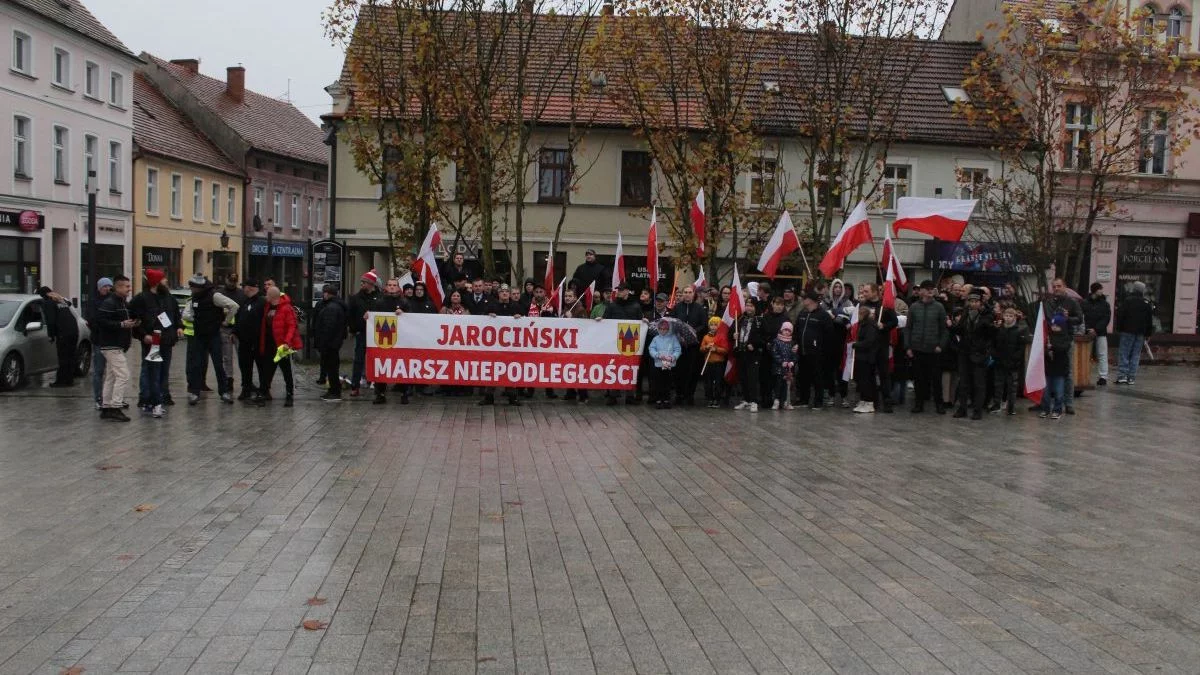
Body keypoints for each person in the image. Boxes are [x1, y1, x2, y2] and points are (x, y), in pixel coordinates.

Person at [128, 269, 182, 416]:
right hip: (152, 341)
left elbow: (176, 314)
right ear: (156, 282)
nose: (166, 282)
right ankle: (147, 399)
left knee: (164, 370)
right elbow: (135, 319)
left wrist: (179, 327)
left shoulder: (168, 298)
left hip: (167, 340)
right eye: (163, 279)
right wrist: (143, 335)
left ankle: (162, 396)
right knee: (150, 370)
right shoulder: (141, 299)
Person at [183, 274, 238, 405]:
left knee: (218, 365)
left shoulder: (214, 296)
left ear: (199, 287)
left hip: (213, 335)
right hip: (199, 335)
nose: (191, 289)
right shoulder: (194, 297)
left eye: (192, 287)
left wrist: (226, 321)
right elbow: (188, 314)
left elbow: (234, 306)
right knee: (196, 365)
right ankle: (195, 392)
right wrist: (197, 320)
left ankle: (224, 392)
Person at [904, 280, 948, 414]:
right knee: (918, 379)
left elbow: (944, 329)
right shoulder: (914, 307)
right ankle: (919, 403)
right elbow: (908, 328)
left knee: (936, 379)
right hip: (917, 348)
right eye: (927, 289)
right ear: (921, 291)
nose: (930, 291)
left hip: (933, 349)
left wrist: (941, 345)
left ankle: (939, 404)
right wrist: (908, 347)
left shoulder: (939, 307)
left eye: (932, 288)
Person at [96, 275, 135, 421]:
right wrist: (121, 325)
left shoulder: (121, 302)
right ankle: (115, 406)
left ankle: (106, 406)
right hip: (111, 345)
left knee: (111, 376)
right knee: (123, 375)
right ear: (118, 287)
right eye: (126, 286)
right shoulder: (110, 303)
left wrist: (130, 324)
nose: (129, 289)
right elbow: (102, 321)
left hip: (116, 344)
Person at [950, 289, 993, 420]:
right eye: (971, 301)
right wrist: (951, 326)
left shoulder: (986, 315)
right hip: (965, 353)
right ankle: (962, 408)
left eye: (976, 301)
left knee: (979, 384)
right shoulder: (965, 314)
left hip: (979, 354)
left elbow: (989, 333)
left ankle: (977, 410)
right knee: (964, 382)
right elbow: (960, 331)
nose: (973, 304)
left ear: (980, 303)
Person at [258, 286, 301, 407]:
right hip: (269, 345)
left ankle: (289, 395)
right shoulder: (267, 307)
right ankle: (263, 393)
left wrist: (287, 342)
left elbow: (292, 326)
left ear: (272, 296)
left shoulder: (286, 308)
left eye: (267, 295)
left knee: (286, 371)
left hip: (282, 346)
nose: (265, 297)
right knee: (267, 370)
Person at [859, 283, 899, 413]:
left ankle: (887, 401)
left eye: (866, 291)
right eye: (863, 292)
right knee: (869, 374)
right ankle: (872, 401)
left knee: (884, 374)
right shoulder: (863, 305)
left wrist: (884, 326)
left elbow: (894, 322)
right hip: (868, 346)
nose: (864, 294)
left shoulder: (885, 306)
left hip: (881, 345)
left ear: (875, 292)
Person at [1046, 278, 1083, 413]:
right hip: (1052, 340)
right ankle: (1051, 401)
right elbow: (1049, 319)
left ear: (1064, 287)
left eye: (1059, 286)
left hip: (1067, 340)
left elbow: (1079, 319)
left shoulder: (1072, 302)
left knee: (1068, 372)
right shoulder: (1049, 302)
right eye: (1054, 286)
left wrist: (1068, 319)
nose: (1056, 289)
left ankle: (1069, 403)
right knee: (1050, 372)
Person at [373, 278, 410, 404]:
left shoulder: (404, 302)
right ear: (386, 287)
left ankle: (404, 393)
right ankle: (380, 393)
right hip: (384, 339)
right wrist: (368, 316)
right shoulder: (379, 302)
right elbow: (373, 317)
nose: (392, 287)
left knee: (402, 366)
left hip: (401, 339)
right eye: (390, 285)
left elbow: (413, 320)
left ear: (398, 287)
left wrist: (404, 313)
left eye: (394, 285)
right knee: (381, 366)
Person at [603, 283, 641, 405]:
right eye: (618, 290)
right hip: (615, 343)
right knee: (615, 368)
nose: (618, 292)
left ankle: (630, 395)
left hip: (630, 342)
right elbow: (606, 320)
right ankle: (613, 395)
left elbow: (640, 321)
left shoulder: (635, 306)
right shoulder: (612, 306)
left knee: (629, 368)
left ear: (627, 291)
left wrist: (643, 322)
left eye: (621, 290)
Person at [670, 286, 708, 406]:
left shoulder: (699, 308)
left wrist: (693, 331)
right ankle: (679, 394)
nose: (687, 294)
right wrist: (679, 335)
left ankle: (690, 394)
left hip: (694, 345)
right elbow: (672, 322)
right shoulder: (677, 308)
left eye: (689, 292)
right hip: (679, 344)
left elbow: (704, 324)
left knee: (692, 370)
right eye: (685, 292)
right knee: (678, 370)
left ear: (693, 294)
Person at [793, 291, 830, 410]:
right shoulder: (802, 314)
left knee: (817, 377)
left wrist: (822, 349)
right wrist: (795, 343)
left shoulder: (823, 315)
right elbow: (796, 330)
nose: (803, 300)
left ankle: (818, 401)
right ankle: (803, 399)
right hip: (802, 351)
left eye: (805, 298)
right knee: (803, 377)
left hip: (817, 353)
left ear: (811, 300)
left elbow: (829, 335)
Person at [37, 286, 79, 388]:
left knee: (63, 358)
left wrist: (51, 335)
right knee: (70, 357)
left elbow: (50, 321)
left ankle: (61, 381)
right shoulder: (61, 300)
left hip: (63, 333)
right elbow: (69, 304)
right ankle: (69, 380)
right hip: (74, 331)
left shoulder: (48, 303)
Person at [1114, 280, 1155, 385]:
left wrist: (1119, 328)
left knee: (1124, 353)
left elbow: (1120, 315)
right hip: (1140, 333)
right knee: (1135, 355)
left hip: (1127, 331)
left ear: (1134, 289)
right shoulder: (1146, 304)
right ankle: (1131, 377)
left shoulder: (1127, 301)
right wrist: (1148, 333)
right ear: (1142, 291)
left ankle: (1122, 375)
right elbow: (1149, 320)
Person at [347, 269, 381, 396]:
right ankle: (355, 385)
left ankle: (377, 383)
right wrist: (353, 329)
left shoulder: (380, 298)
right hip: (362, 332)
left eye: (364, 282)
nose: (362, 285)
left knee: (376, 359)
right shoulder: (356, 298)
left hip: (377, 334)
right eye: (361, 282)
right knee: (358, 360)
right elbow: (351, 315)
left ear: (371, 284)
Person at [991, 306, 1029, 415]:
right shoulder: (999, 330)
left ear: (1015, 317)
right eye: (1006, 316)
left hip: (1013, 363)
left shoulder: (1018, 330)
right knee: (998, 385)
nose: (1008, 318)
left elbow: (1020, 348)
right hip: (999, 361)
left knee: (1012, 386)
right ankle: (997, 404)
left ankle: (1011, 407)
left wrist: (1014, 359)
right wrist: (995, 356)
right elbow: (994, 344)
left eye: (1010, 316)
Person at [314, 284, 348, 402]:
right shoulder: (336, 305)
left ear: (327, 294)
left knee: (332, 368)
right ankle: (333, 390)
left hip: (330, 344)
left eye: (324, 293)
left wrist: (323, 343)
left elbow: (328, 327)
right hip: (333, 343)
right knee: (332, 367)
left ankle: (334, 391)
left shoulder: (332, 308)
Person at [234, 279, 267, 401]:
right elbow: (238, 318)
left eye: (245, 287)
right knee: (245, 366)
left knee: (261, 367)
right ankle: (246, 389)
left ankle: (264, 390)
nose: (243, 289)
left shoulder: (262, 302)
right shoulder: (244, 301)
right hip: (244, 341)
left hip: (257, 341)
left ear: (251, 288)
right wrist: (235, 331)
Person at [86, 278, 114, 409]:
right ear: (99, 288)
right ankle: (98, 397)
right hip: (99, 340)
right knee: (99, 370)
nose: (107, 289)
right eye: (105, 287)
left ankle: (111, 397)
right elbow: (92, 320)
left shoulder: (113, 300)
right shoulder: (93, 302)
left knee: (113, 371)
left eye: (109, 286)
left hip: (112, 341)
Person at [732, 300, 764, 412]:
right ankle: (746, 399)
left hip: (753, 354)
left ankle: (754, 401)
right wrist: (734, 335)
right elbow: (732, 330)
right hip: (741, 351)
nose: (748, 308)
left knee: (752, 378)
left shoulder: (759, 320)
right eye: (747, 305)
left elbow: (764, 336)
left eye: (751, 306)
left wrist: (754, 344)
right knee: (743, 377)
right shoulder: (740, 319)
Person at [1041, 312, 1072, 419]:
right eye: (1053, 325)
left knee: (1059, 392)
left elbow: (1063, 349)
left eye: (1056, 326)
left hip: (1060, 369)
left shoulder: (1065, 338)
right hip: (1049, 368)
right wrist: (1047, 351)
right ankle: (1045, 409)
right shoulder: (1049, 337)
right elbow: (1044, 351)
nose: (1054, 328)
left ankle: (1057, 410)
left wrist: (1052, 347)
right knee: (1046, 392)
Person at [1082, 282, 1112, 386]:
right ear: (1095, 290)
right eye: (1100, 289)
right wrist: (1088, 329)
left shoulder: (1105, 304)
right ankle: (1084, 375)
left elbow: (1106, 318)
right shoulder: (1085, 302)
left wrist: (1096, 329)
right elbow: (1082, 317)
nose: (1102, 291)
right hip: (1087, 333)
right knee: (1085, 354)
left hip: (1100, 332)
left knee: (1102, 354)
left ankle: (1103, 376)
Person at [852, 305, 880, 413]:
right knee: (862, 380)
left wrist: (856, 344)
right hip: (862, 357)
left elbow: (869, 342)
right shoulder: (863, 325)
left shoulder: (870, 326)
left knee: (866, 380)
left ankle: (869, 402)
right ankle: (863, 400)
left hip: (867, 358)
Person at [648, 318, 681, 409]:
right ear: (658, 329)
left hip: (669, 364)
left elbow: (677, 349)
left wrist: (673, 357)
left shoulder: (673, 338)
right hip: (658, 364)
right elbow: (651, 349)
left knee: (667, 383)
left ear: (668, 329)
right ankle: (658, 400)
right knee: (658, 383)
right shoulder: (656, 338)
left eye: (665, 329)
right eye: (661, 329)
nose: (663, 331)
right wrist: (657, 355)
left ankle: (666, 400)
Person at [219, 273, 244, 393]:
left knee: (242, 356)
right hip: (225, 328)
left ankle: (245, 380)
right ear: (226, 279)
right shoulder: (220, 293)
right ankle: (229, 379)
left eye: (234, 281)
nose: (232, 283)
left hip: (238, 329)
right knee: (227, 357)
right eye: (230, 280)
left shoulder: (241, 293)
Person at [699, 316, 728, 408]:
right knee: (708, 382)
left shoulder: (722, 337)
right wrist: (706, 347)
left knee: (718, 382)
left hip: (718, 363)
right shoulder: (706, 337)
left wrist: (716, 349)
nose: (713, 327)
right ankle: (710, 398)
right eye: (711, 325)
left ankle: (717, 399)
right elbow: (701, 349)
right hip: (708, 363)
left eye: (715, 325)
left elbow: (725, 350)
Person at [770, 321, 797, 410]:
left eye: (789, 331)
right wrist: (781, 361)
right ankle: (776, 401)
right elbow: (774, 353)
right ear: (781, 330)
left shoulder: (792, 343)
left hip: (787, 370)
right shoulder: (776, 341)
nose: (787, 332)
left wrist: (792, 362)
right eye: (785, 330)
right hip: (778, 369)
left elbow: (794, 355)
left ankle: (786, 401)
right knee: (778, 385)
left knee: (786, 386)